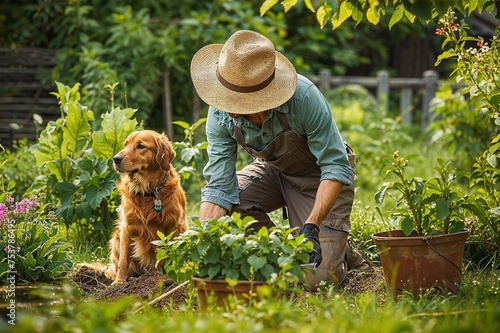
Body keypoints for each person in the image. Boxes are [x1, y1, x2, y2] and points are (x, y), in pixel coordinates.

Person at [190, 30, 371, 288]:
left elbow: (335, 166)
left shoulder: (303, 98)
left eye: (237, 99)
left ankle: (335, 246)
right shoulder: (219, 112)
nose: (226, 105)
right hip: (273, 172)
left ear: (263, 96)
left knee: (316, 281)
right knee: (230, 208)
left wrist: (311, 226)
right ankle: (281, 250)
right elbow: (219, 185)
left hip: (319, 178)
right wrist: (201, 241)